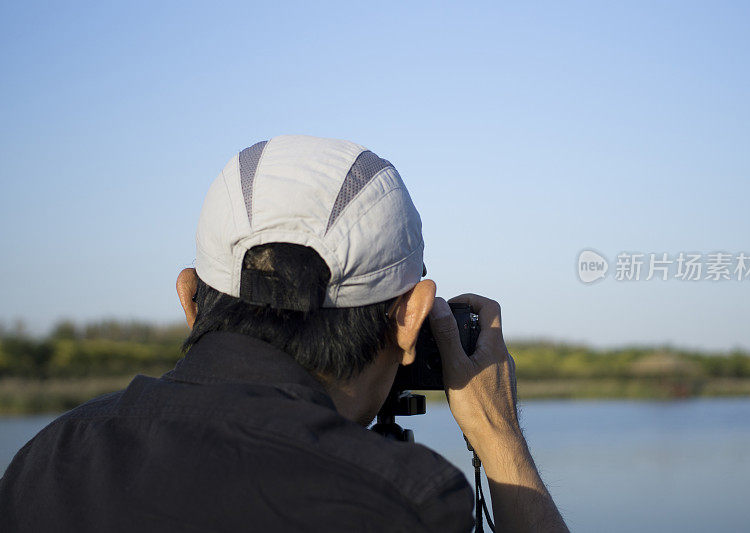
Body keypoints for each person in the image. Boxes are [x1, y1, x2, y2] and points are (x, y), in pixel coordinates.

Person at [0, 135, 568, 532]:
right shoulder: (401, 498)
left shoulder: (47, 461)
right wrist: (499, 438)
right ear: (411, 316)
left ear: (190, 299)